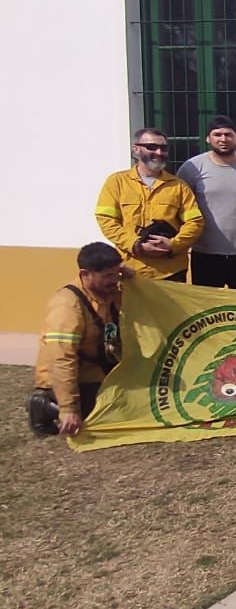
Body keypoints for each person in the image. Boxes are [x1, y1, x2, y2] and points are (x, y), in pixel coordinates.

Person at [27, 243, 127, 437]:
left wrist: (134, 277)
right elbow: (62, 360)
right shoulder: (66, 307)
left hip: (97, 372)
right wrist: (68, 408)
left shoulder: (108, 293)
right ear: (85, 274)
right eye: (108, 275)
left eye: (117, 274)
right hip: (65, 379)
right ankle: (46, 405)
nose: (115, 281)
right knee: (111, 414)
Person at [95, 127, 204, 281]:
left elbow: (195, 222)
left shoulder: (179, 186)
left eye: (163, 148)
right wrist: (135, 244)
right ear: (136, 149)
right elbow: (106, 220)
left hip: (171, 272)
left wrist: (173, 245)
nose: (159, 153)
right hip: (129, 270)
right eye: (152, 147)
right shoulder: (117, 182)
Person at [177, 115, 236, 289]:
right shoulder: (192, 168)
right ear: (208, 138)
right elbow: (181, 206)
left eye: (228, 134)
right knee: (209, 311)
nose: (223, 139)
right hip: (206, 254)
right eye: (217, 135)